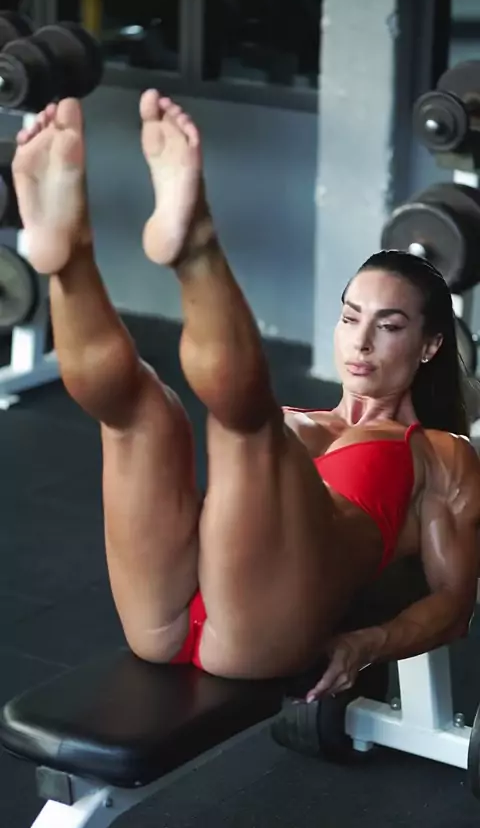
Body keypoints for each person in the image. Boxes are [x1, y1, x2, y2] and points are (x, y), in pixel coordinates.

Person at [12, 93, 480, 700]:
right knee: (144, 416)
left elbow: (454, 603)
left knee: (247, 423)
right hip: (164, 611)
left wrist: (371, 642)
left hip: (263, 634)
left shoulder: (441, 454)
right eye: (349, 318)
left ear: (430, 345)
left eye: (389, 326)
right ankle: (68, 257)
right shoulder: (294, 419)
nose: (361, 342)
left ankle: (197, 242)